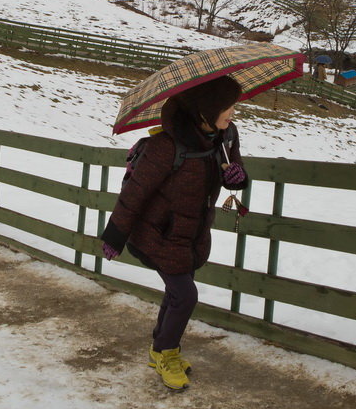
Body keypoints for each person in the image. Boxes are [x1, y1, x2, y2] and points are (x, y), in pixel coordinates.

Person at [100, 75, 248, 391]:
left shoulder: (224, 136)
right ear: (206, 109)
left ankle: (161, 349)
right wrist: (114, 236)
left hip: (191, 234)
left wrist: (237, 178)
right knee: (186, 295)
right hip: (157, 234)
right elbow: (134, 194)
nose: (233, 113)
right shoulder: (165, 146)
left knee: (176, 293)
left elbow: (233, 170)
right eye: (228, 107)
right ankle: (164, 352)